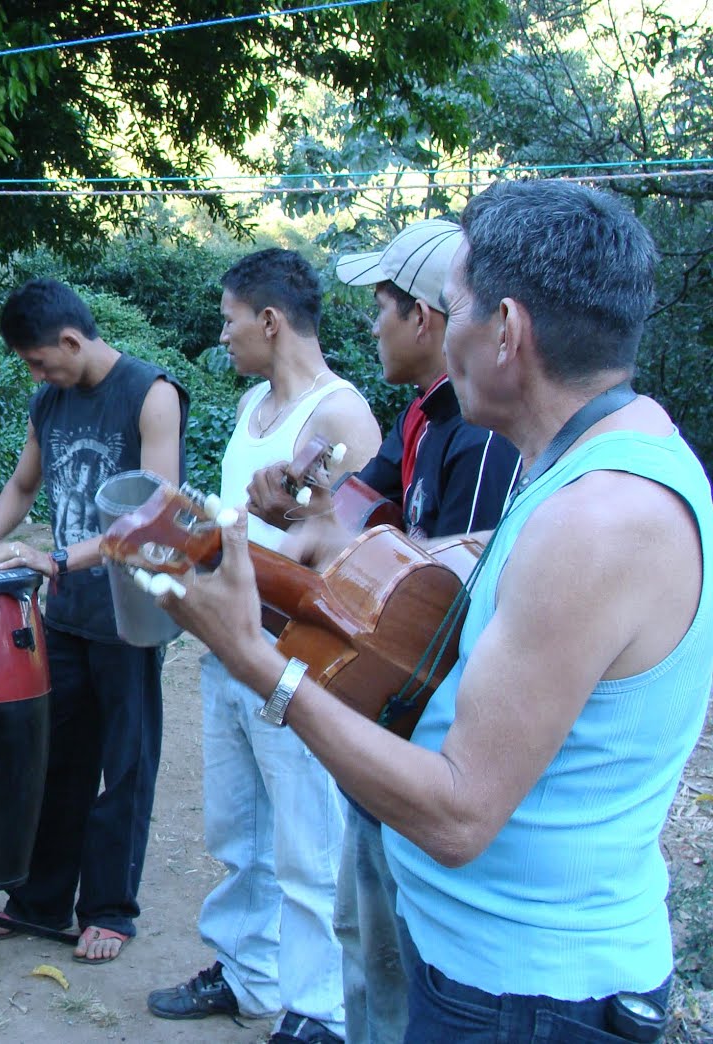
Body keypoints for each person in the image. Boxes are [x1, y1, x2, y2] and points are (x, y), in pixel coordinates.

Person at [158, 179, 711, 1042]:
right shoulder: (595, 460)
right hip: (491, 975)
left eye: (450, 311)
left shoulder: (598, 517)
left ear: (508, 333)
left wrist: (255, 658)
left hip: (521, 998)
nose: (436, 333)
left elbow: (458, 814)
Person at [246, 220, 522, 1044]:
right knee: (365, 936)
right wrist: (295, 502)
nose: (371, 327)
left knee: (394, 950)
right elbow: (350, 511)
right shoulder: (424, 420)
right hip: (396, 732)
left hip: (428, 740)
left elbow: (445, 597)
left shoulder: (481, 436)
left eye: (382, 309)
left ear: (427, 320)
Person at [147, 249, 381, 1043]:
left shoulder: (341, 416)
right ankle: (249, 976)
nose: (223, 334)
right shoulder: (253, 404)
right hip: (231, 643)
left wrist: (304, 510)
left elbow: (357, 547)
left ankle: (321, 1012)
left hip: (298, 656)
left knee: (309, 843)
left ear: (270, 321)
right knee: (240, 831)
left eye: (229, 319)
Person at [0, 278, 187, 963]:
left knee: (124, 769)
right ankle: (39, 901)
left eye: (42, 361)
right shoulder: (50, 400)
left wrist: (53, 558)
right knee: (56, 764)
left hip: (131, 619)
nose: (37, 374)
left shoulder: (151, 394)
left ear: (72, 340)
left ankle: (109, 911)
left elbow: (153, 520)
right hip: (66, 614)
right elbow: (24, 483)